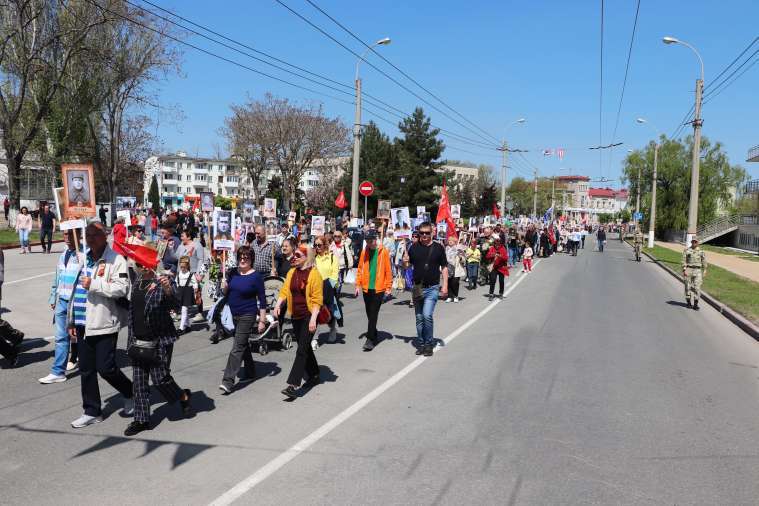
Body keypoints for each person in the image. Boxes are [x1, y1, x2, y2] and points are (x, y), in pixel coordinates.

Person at [70, 222, 134, 429]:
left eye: (94, 235)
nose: (89, 239)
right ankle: (92, 410)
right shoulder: (83, 258)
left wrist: (95, 284)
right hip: (82, 322)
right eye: (87, 235)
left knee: (106, 368)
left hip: (104, 322)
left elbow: (122, 288)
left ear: (104, 236)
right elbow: (75, 290)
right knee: (86, 370)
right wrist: (71, 319)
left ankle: (131, 392)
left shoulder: (115, 260)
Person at [124, 258, 193, 436]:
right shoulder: (137, 282)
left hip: (159, 340)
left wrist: (168, 290)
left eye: (142, 264)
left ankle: (183, 395)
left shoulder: (162, 280)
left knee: (160, 379)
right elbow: (133, 311)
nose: (140, 267)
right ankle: (141, 420)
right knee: (139, 383)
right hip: (138, 339)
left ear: (151, 263)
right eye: (138, 265)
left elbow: (176, 306)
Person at [273, 245, 323, 399]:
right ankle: (314, 374)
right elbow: (284, 290)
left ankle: (293, 385)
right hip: (295, 316)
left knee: (301, 350)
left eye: (298, 255)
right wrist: (278, 304)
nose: (294, 257)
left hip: (309, 315)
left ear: (306, 257)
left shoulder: (314, 275)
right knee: (305, 347)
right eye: (294, 255)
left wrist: (314, 319)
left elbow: (317, 300)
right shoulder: (292, 272)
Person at [218, 246, 267, 395]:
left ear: (251, 259)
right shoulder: (232, 272)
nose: (243, 259)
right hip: (233, 314)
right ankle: (251, 371)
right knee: (243, 343)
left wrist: (262, 321)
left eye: (246, 257)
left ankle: (228, 381)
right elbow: (226, 292)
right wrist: (224, 286)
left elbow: (263, 300)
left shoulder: (256, 276)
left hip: (248, 314)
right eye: (241, 256)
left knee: (237, 347)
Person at [39, 229, 83, 384]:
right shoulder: (63, 253)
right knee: (60, 337)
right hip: (62, 301)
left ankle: (88, 364)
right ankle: (58, 372)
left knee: (82, 337)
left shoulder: (84, 254)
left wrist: (82, 259)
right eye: (65, 234)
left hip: (77, 302)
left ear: (79, 235)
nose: (68, 238)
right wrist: (53, 295)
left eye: (72, 234)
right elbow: (57, 275)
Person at [403, 222, 448, 357]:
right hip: (417, 288)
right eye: (421, 233)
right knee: (419, 318)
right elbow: (407, 267)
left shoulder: (439, 248)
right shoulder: (413, 248)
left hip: (432, 288)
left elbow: (444, 267)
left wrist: (445, 285)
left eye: (427, 233)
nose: (424, 235)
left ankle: (429, 343)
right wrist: (405, 261)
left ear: (432, 233)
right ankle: (422, 343)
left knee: (427, 315)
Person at [354, 230, 392, 351]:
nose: (369, 243)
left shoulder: (383, 252)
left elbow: (388, 270)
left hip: (378, 288)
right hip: (366, 288)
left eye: (370, 240)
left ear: (375, 240)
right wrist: (357, 285)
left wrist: (388, 287)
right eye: (367, 241)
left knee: (374, 313)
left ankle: (370, 339)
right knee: (369, 314)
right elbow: (360, 269)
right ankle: (374, 333)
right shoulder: (364, 252)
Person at [315, 235, 340, 344]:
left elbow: (335, 274)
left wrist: (330, 284)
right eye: (315, 245)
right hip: (316, 288)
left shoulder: (332, 257)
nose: (317, 247)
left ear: (325, 245)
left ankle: (332, 329)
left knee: (329, 311)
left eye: (319, 245)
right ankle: (314, 337)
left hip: (329, 287)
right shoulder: (314, 258)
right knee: (315, 312)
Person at [681, 237, 707, 310]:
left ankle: (695, 304)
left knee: (697, 288)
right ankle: (688, 302)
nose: (694, 243)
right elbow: (683, 260)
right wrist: (684, 269)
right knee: (687, 287)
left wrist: (705, 270)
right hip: (689, 269)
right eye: (693, 242)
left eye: (695, 242)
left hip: (698, 270)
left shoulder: (701, 252)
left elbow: (704, 261)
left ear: (698, 243)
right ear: (691, 242)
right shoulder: (687, 250)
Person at [176, 256, 199, 334]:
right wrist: (176, 288)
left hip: (188, 292)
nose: (182, 268)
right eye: (181, 267)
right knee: (183, 309)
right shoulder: (179, 274)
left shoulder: (190, 274)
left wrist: (195, 288)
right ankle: (188, 326)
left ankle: (181, 328)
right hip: (180, 291)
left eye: (184, 267)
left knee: (184, 309)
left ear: (187, 266)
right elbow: (176, 281)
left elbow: (195, 282)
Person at [330, 229, 353, 296]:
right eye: (335, 236)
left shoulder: (344, 245)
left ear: (341, 237)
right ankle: (334, 292)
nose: (337, 237)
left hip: (341, 266)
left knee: (339, 282)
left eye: (338, 236)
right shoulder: (331, 245)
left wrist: (350, 265)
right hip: (333, 266)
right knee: (334, 281)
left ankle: (337, 294)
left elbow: (348, 254)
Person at [486, 236, 509, 300]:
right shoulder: (492, 248)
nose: (497, 245)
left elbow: (506, 258)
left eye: (498, 244)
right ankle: (491, 294)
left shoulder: (503, 248)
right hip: (494, 267)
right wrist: (493, 255)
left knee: (501, 281)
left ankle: (501, 293)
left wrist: (500, 256)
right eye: (496, 244)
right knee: (493, 280)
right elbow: (487, 256)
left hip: (501, 267)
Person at [445, 236, 465, 303]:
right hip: (448, 267)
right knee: (449, 282)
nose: (450, 242)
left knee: (455, 283)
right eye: (449, 240)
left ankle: (455, 296)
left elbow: (463, 259)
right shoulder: (446, 249)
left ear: (455, 242)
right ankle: (449, 296)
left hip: (456, 268)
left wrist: (460, 257)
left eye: (452, 241)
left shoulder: (458, 249)